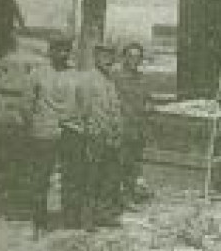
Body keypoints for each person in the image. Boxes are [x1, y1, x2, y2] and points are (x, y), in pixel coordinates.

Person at [0, 33, 42, 215]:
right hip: (13, 114)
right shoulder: (31, 63)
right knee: (16, 157)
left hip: (0, 113)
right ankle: (8, 200)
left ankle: (3, 200)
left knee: (2, 157)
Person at [25, 36, 83, 235]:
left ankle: (70, 220)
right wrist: (36, 125)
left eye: (66, 49)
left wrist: (75, 123)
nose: (62, 54)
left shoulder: (76, 75)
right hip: (44, 132)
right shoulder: (37, 73)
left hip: (70, 131)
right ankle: (39, 222)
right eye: (58, 49)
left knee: (72, 177)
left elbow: (82, 102)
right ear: (50, 50)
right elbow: (26, 105)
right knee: (41, 177)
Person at [77, 43, 127, 227]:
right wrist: (88, 133)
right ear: (96, 57)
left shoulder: (109, 81)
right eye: (104, 56)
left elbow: (114, 110)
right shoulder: (87, 80)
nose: (109, 60)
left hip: (110, 137)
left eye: (111, 56)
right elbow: (81, 110)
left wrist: (117, 131)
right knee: (91, 177)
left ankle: (103, 214)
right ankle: (86, 218)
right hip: (94, 136)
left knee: (108, 177)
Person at [112, 42, 152, 204]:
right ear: (124, 58)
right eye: (131, 56)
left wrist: (149, 105)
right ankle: (115, 197)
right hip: (121, 126)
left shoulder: (142, 79)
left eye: (138, 57)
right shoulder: (115, 77)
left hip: (138, 128)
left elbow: (147, 99)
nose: (134, 60)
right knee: (119, 163)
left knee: (134, 164)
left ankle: (129, 196)